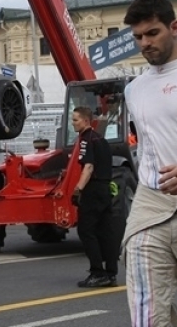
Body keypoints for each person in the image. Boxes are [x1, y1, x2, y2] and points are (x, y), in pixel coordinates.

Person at [122, 0, 177, 326]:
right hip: (151, 205)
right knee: (147, 314)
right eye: (138, 37)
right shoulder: (134, 89)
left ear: (175, 28)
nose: (144, 43)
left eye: (152, 33)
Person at [70, 106, 117, 288]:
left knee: (86, 230)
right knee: (106, 231)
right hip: (105, 188)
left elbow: (88, 167)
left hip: (94, 189)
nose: (73, 123)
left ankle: (97, 272)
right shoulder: (102, 139)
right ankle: (111, 273)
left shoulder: (86, 139)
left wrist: (78, 189)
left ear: (86, 121)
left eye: (75, 120)